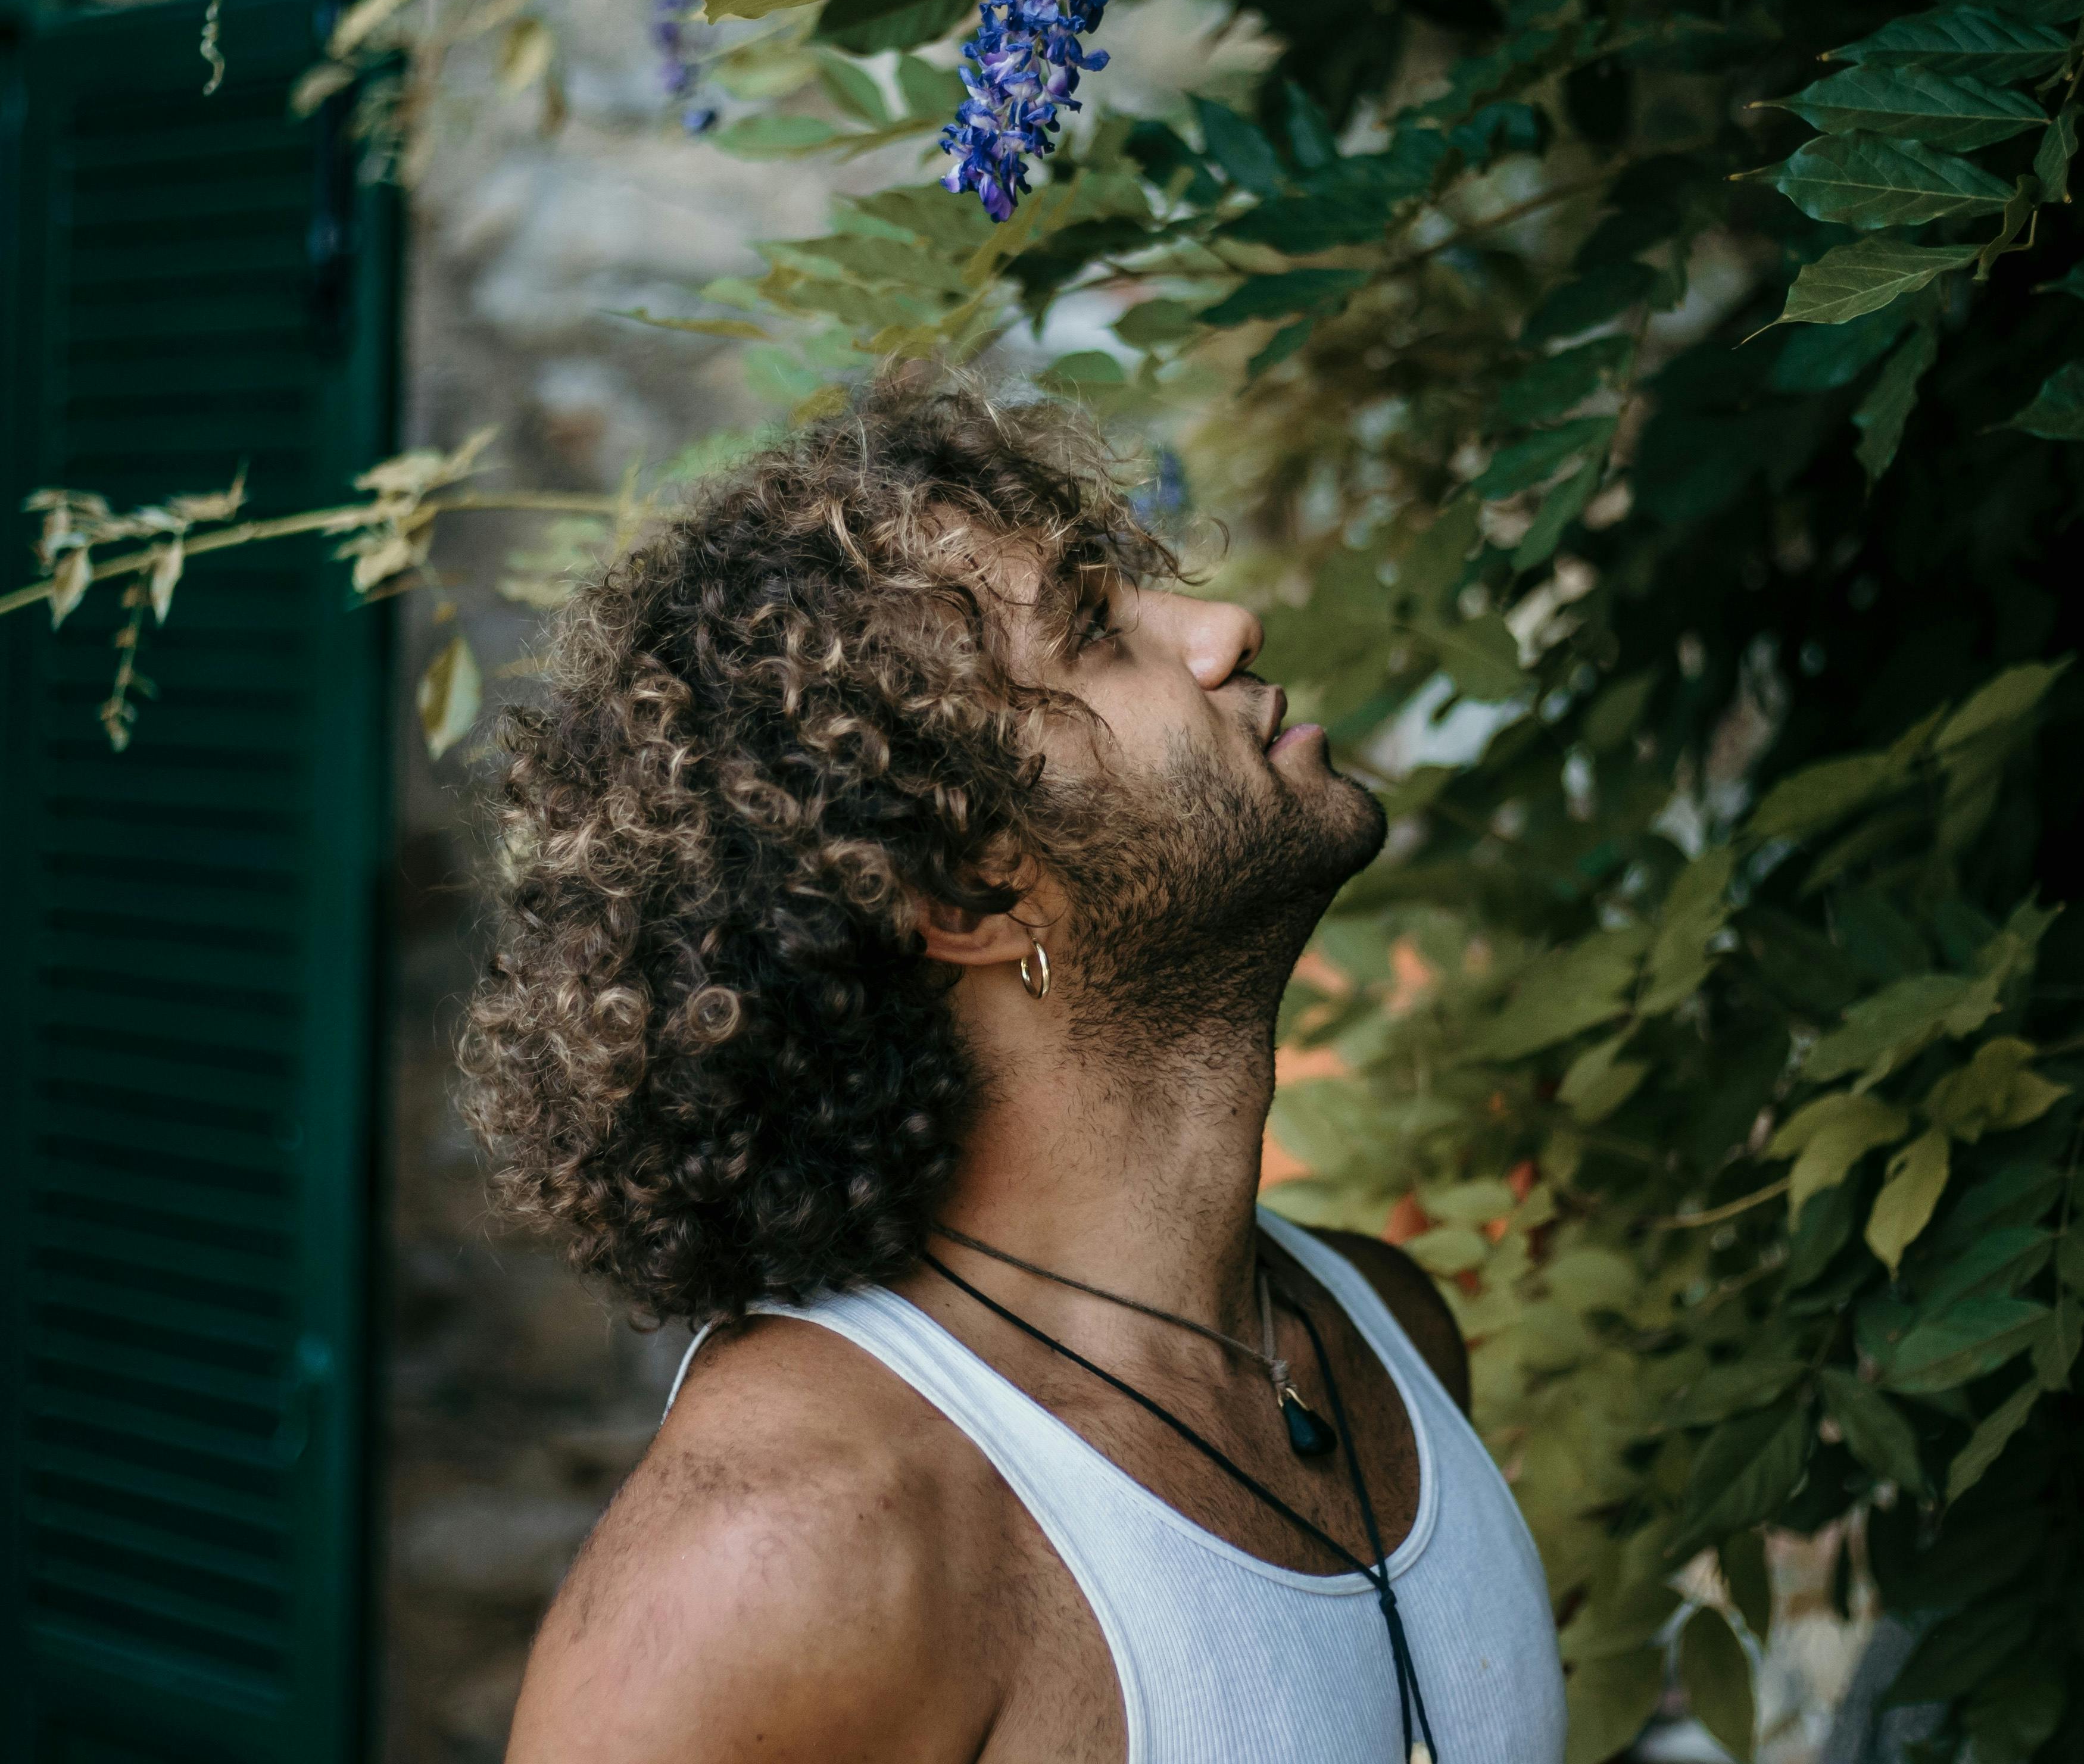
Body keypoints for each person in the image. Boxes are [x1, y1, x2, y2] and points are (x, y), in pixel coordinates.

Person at [463, 373, 1568, 1764]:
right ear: (972, 898)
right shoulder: (784, 1554)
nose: (1228, 629)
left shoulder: (1388, 1348)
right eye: (1099, 633)